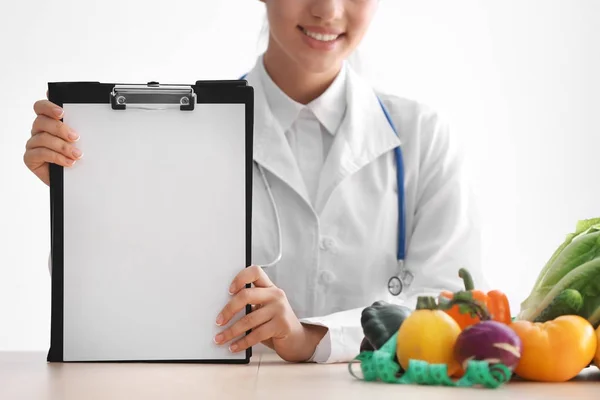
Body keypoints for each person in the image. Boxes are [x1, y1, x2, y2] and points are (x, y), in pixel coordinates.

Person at [23, 0, 484, 364]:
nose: (328, 10)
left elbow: (454, 309)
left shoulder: (424, 138)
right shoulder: (188, 129)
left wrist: (314, 338)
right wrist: (82, 194)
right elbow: (120, 300)